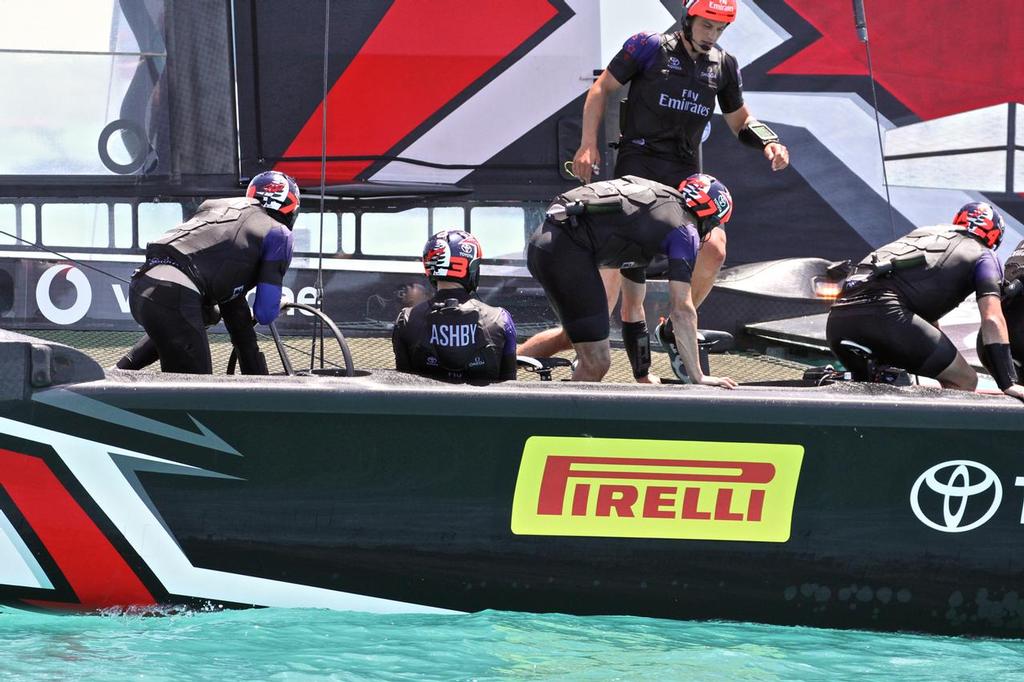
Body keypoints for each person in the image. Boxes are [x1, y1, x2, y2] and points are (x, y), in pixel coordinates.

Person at [519, 0, 789, 359]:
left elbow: (740, 122)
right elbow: (601, 89)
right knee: (593, 319)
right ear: (688, 17)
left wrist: (769, 142)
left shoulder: (723, 65)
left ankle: (673, 327)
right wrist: (587, 144)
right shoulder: (648, 46)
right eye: (707, 26)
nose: (713, 36)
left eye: (720, 29)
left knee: (715, 247)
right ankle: (510, 357)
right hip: (636, 178)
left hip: (684, 181)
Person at [527, 172, 737, 386]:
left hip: (543, 243)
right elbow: (682, 310)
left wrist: (642, 373)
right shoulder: (686, 231)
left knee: (587, 347)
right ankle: (559, 419)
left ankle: (502, 366)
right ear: (709, 217)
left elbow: (632, 309)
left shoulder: (653, 214)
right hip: (565, 253)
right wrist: (698, 376)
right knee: (596, 361)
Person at [826, 202, 1024, 400]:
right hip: (885, 317)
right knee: (964, 379)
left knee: (878, 381)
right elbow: (992, 318)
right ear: (994, 236)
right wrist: (1008, 383)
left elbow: (923, 320)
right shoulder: (984, 255)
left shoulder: (924, 233)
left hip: (838, 320)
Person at [127, 170, 299, 374]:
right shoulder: (279, 233)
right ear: (291, 208)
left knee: (208, 313)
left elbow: (240, 327)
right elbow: (265, 312)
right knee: (196, 397)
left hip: (143, 286)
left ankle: (113, 373)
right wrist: (274, 304)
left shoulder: (219, 211)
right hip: (177, 293)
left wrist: (258, 379)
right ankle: (105, 383)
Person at [392, 230, 517, 382]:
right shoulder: (501, 319)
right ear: (470, 267)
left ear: (430, 267)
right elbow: (510, 384)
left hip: (427, 405)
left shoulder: (406, 319)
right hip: (482, 405)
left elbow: (400, 384)